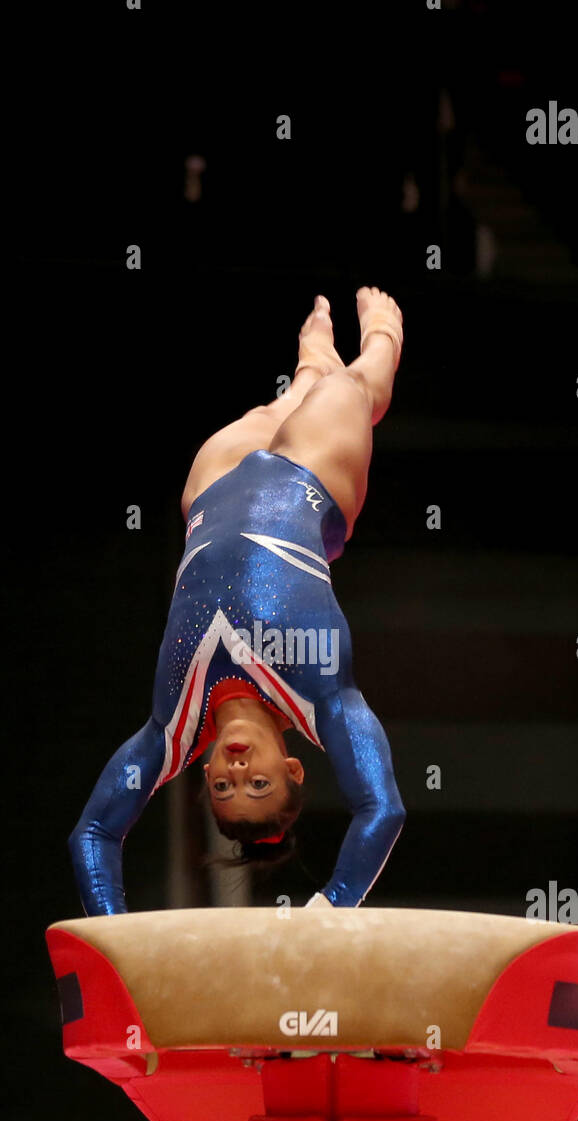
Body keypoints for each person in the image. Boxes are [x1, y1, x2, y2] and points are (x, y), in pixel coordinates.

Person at [69, 289, 406, 913]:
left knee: (285, 401)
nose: (237, 766)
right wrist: (330, 908)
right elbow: (381, 809)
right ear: (294, 768)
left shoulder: (173, 731)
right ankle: (384, 335)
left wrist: (114, 935)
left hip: (213, 488)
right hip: (311, 480)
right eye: (259, 782)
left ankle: (309, 363)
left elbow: (93, 834)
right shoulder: (322, 699)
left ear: (204, 776)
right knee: (354, 391)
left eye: (225, 786)